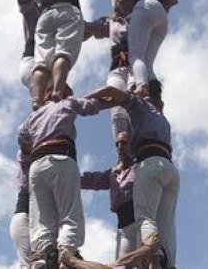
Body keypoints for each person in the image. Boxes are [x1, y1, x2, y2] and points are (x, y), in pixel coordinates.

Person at [15, 0, 119, 103]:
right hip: (33, 59)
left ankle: (38, 101)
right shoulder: (34, 11)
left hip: (34, 65)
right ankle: (51, 99)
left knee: (57, 90)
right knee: (62, 62)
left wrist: (105, 24)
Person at [86, 84, 178, 269]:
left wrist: (82, 100)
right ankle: (164, 261)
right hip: (169, 168)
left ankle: (153, 254)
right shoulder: (161, 117)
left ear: (144, 92)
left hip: (149, 162)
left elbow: (110, 90)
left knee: (146, 218)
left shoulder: (139, 105)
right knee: (166, 223)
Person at [18, 87, 107, 269]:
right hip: (61, 157)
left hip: (37, 164)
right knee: (69, 214)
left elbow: (22, 138)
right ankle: (66, 255)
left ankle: (43, 255)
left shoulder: (33, 116)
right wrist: (119, 100)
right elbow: (92, 106)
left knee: (43, 217)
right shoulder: (67, 103)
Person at [85, 0, 135, 140]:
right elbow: (87, 29)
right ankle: (122, 150)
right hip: (117, 68)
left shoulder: (141, 17)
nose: (121, 1)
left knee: (136, 100)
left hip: (136, 67)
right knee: (116, 108)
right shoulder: (110, 22)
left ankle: (138, 145)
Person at [81, 132, 139, 260]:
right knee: (122, 263)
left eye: (124, 143)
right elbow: (92, 180)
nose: (120, 147)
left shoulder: (140, 167)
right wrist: (72, 179)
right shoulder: (113, 174)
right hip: (123, 224)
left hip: (140, 219)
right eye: (118, 144)